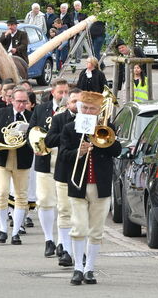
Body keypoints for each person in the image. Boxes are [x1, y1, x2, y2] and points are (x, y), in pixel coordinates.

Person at [57, 91, 121, 285]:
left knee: (96, 230)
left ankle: (90, 269)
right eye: (84, 107)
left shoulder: (107, 127)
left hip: (100, 186)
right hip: (78, 184)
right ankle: (77, 268)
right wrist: (79, 151)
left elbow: (116, 151)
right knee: (79, 227)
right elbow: (63, 155)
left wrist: (102, 141)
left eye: (92, 108)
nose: (87, 111)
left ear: (98, 110)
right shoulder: (70, 128)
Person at [0, 86, 33, 245]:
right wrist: (4, 139)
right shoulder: (2, 113)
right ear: (11, 100)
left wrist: (26, 137)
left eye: (24, 102)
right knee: (2, 192)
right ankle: (2, 229)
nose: (21, 105)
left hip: (22, 160)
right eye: (19, 101)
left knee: (21, 195)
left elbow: (34, 140)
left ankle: (15, 233)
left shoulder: (30, 116)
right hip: (3, 158)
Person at [28, 78, 68, 257]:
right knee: (44, 201)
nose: (64, 96)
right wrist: (35, 147)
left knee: (63, 204)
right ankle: (48, 240)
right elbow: (31, 131)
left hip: (65, 161)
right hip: (44, 160)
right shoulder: (41, 109)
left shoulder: (71, 111)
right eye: (61, 92)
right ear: (53, 92)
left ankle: (61, 242)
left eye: (66, 92)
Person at [45, 87, 80, 266]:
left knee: (80, 215)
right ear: (67, 104)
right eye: (73, 101)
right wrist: (66, 135)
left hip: (83, 172)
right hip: (64, 170)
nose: (77, 105)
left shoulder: (90, 120)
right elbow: (49, 141)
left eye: (80, 101)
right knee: (65, 211)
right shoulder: (59, 119)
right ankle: (66, 250)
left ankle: (79, 250)